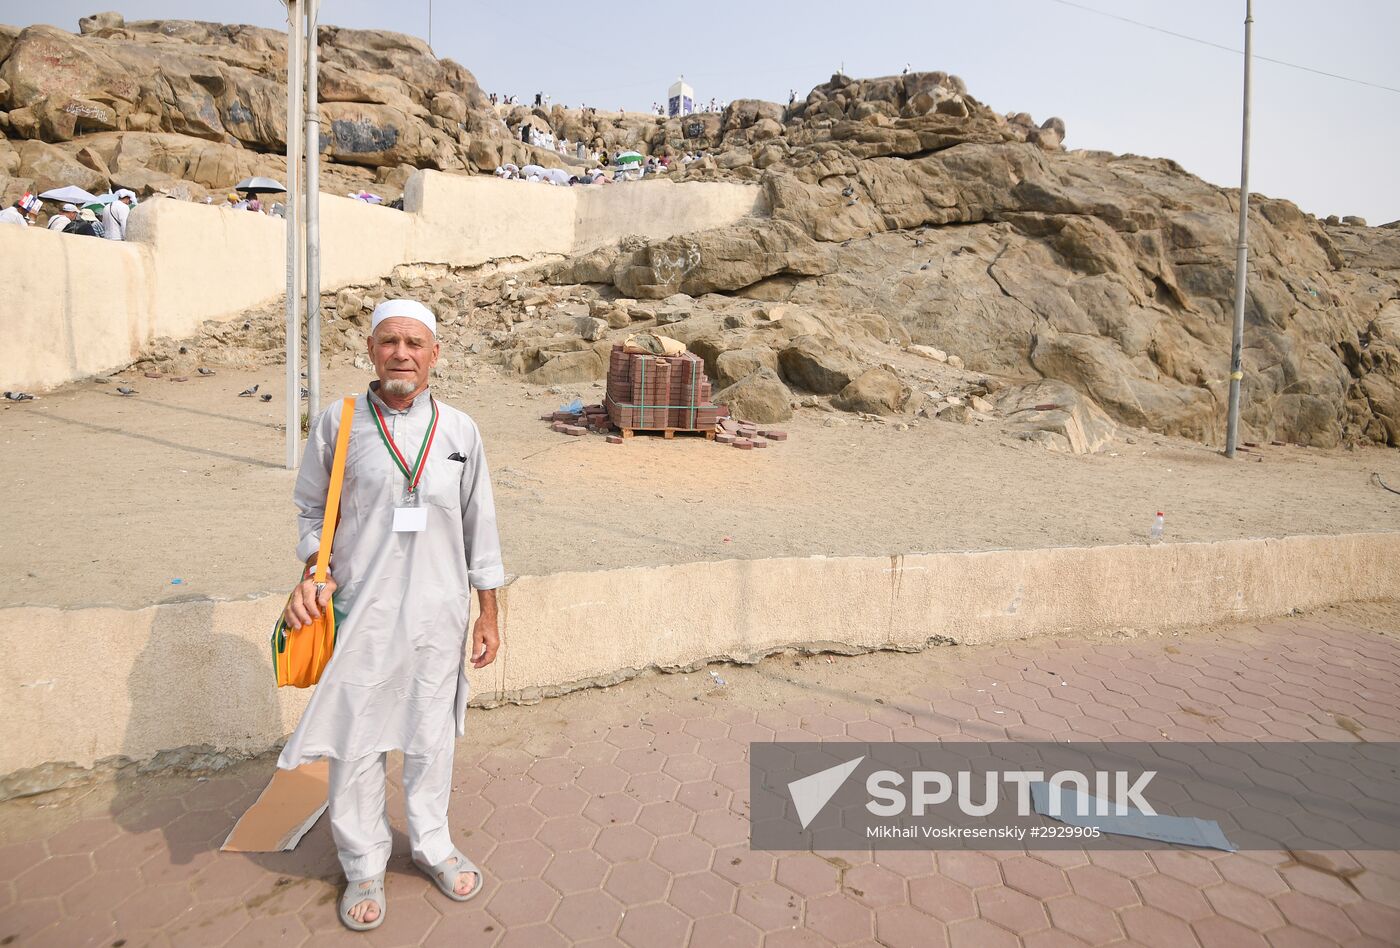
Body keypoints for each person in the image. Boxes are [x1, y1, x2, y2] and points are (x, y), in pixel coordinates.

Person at [280, 298, 504, 932]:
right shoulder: (339, 421)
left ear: (435, 354)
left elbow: (478, 526)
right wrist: (313, 573)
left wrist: (487, 612)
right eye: (388, 342)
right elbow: (309, 512)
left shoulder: (460, 430)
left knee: (431, 738)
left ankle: (432, 843)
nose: (400, 353)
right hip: (361, 612)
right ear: (371, 351)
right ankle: (363, 862)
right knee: (356, 741)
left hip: (439, 614)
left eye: (413, 343)